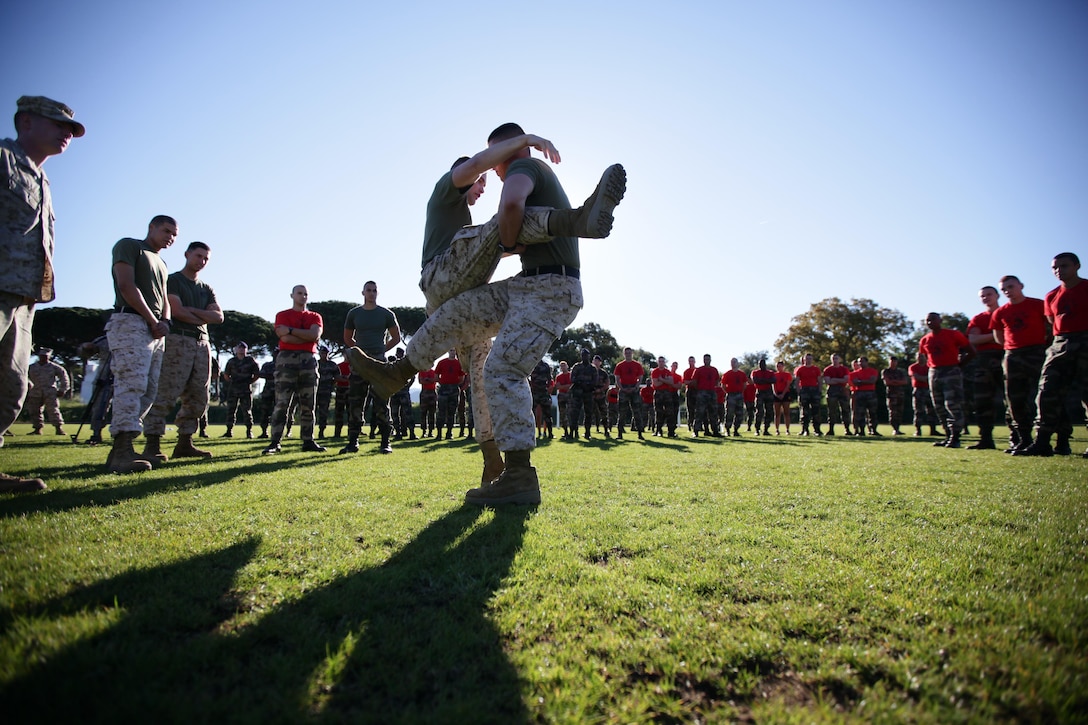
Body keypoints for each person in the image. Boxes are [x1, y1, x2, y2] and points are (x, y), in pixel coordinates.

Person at [352, 122, 612, 505]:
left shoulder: (526, 169)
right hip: (513, 284)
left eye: (495, 166)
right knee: (465, 306)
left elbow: (510, 209)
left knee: (496, 369)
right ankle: (398, 373)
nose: (492, 173)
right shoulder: (452, 188)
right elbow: (499, 208)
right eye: (485, 174)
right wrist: (511, 236)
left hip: (547, 290)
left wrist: (510, 235)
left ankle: (517, 473)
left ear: (507, 155)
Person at [1, 95, 84, 493]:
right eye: (58, 124)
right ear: (26, 122)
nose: (66, 133)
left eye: (70, 129)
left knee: (13, 386)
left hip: (23, 296)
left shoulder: (42, 179)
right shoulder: (2, 158)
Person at [104, 215, 176, 472]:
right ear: (152, 227)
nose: (171, 238)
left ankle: (123, 449)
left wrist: (165, 322)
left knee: (149, 389)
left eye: (174, 235)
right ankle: (122, 448)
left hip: (155, 330)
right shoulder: (130, 246)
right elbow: (126, 284)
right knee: (130, 384)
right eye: (167, 231)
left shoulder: (162, 262)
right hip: (131, 322)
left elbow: (164, 298)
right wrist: (151, 319)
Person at [143, 241, 223, 461]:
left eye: (206, 258)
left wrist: (193, 312)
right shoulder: (174, 281)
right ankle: (152, 444)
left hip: (201, 344)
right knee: (166, 391)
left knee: (199, 396)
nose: (202, 261)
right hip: (178, 341)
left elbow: (219, 317)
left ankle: (185, 443)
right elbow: (176, 311)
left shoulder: (206, 289)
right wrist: (202, 316)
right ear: (187, 254)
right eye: (198, 256)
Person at [1016, 253, 1088, 457]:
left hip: (1086, 340)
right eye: (1055, 268)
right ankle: (1042, 442)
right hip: (1060, 343)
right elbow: (1051, 321)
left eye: (1064, 266)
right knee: (1047, 391)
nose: (1059, 271)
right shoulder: (1051, 296)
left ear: (1077, 266)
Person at [990, 274, 1051, 454]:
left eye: (1011, 287)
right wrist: (1013, 349)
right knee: (1014, 399)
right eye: (1004, 289)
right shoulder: (1000, 313)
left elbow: (1051, 326)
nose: (1008, 291)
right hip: (1013, 355)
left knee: (1047, 394)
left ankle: (1060, 439)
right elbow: (998, 337)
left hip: (1037, 352)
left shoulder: (1037, 304)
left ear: (1021, 285)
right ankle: (1024, 439)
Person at [262, 285, 326, 454]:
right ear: (292, 295)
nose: (303, 296)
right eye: (300, 293)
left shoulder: (315, 316)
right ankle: (275, 441)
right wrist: (303, 336)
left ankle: (308, 440)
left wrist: (291, 331)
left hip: (309, 361)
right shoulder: (282, 315)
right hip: (286, 361)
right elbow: (283, 337)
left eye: (306, 294)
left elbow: (314, 336)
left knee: (308, 405)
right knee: (282, 403)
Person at [340, 281, 401, 454]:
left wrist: (382, 350)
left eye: (374, 290)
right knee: (356, 402)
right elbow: (347, 338)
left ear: (377, 293)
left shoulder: (386, 314)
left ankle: (385, 442)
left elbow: (396, 337)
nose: (372, 293)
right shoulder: (354, 314)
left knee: (382, 402)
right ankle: (353, 441)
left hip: (379, 363)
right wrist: (360, 353)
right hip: (359, 364)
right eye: (369, 290)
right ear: (363, 293)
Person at [919, 312, 977, 448]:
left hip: (951, 371)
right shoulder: (925, 340)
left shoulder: (953, 334)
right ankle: (947, 435)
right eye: (927, 320)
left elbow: (971, 351)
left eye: (933, 319)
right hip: (934, 372)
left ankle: (956, 437)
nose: (930, 322)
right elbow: (926, 357)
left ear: (940, 320)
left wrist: (958, 366)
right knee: (938, 405)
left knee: (952, 404)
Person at [966, 285, 1007, 450]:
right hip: (983, 361)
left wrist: (987, 337)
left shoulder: (1007, 312)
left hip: (1006, 357)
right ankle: (986, 439)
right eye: (982, 296)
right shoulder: (978, 318)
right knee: (982, 401)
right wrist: (998, 335)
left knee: (1012, 398)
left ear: (997, 295)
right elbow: (973, 339)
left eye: (989, 294)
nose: (985, 298)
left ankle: (1019, 437)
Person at [25, 347, 69, 435]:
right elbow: (24, 377)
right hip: (35, 392)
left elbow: (64, 378)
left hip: (50, 392)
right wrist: (26, 389)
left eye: (45, 356)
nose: (43, 357)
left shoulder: (55, 367)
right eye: (42, 356)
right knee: (34, 411)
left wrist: (62, 389)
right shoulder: (31, 367)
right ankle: (37, 429)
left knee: (53, 410)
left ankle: (58, 428)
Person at [221, 341, 260, 438]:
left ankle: (249, 431)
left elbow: (257, 374)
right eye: (239, 348)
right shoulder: (231, 361)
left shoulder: (251, 361)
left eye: (243, 348)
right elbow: (226, 375)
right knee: (231, 410)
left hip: (246, 389)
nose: (241, 349)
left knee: (247, 411)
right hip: (233, 389)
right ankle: (229, 431)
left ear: (246, 350)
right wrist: (233, 382)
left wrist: (249, 382)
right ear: (236, 349)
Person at [614, 347, 646, 440]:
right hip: (623, 388)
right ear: (624, 354)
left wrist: (635, 387)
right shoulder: (620, 365)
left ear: (632, 353)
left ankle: (640, 433)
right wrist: (622, 388)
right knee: (622, 413)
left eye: (629, 352)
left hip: (634, 389)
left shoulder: (637, 365)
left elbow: (640, 377)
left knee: (637, 412)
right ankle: (620, 433)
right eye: (626, 353)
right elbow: (617, 378)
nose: (628, 354)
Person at [434, 350, 465, 441]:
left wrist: (454, 384)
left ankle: (449, 433)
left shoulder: (459, 363)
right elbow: (436, 376)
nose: (453, 352)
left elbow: (462, 378)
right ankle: (439, 434)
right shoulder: (442, 362)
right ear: (448, 351)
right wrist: (443, 383)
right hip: (443, 389)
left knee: (452, 412)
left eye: (454, 351)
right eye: (451, 350)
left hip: (454, 389)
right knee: (441, 412)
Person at [569, 347, 598, 439]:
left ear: (589, 356)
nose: (584, 357)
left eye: (586, 355)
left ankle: (587, 432)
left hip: (588, 393)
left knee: (588, 413)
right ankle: (573, 432)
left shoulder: (592, 368)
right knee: (574, 413)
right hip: (577, 393)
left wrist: (588, 385)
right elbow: (572, 378)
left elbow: (595, 380)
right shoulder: (577, 367)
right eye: (583, 355)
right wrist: (580, 383)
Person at [909, 352, 940, 436]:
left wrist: (925, 378)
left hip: (929, 390)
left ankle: (933, 430)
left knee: (932, 410)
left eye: (922, 356)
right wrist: (927, 378)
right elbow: (917, 377)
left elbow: (934, 377)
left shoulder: (929, 366)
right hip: (918, 390)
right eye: (919, 357)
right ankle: (918, 430)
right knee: (918, 411)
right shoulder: (913, 367)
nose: (920, 358)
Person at [848, 357, 880, 436]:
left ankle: (873, 430)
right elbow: (855, 382)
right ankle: (861, 430)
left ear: (867, 362)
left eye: (862, 361)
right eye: (859, 362)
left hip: (871, 393)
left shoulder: (873, 371)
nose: (860, 363)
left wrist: (860, 381)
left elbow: (872, 381)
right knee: (860, 413)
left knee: (872, 413)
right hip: (859, 393)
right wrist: (866, 381)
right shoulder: (854, 373)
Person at [692, 354, 722, 437]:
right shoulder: (699, 370)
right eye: (705, 359)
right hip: (702, 392)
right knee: (699, 412)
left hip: (712, 392)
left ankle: (715, 431)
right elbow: (694, 382)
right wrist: (700, 390)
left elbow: (717, 381)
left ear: (710, 360)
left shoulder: (714, 370)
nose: (706, 361)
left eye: (708, 359)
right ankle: (696, 431)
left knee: (713, 412)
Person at [822, 353, 851, 436]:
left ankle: (847, 429)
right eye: (833, 358)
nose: (835, 360)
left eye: (836, 358)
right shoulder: (827, 369)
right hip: (832, 391)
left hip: (843, 390)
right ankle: (831, 430)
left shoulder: (844, 369)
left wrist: (834, 379)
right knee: (831, 411)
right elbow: (828, 381)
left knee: (845, 410)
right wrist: (840, 380)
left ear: (839, 359)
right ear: (831, 359)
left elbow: (846, 380)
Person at [315, 347, 341, 439]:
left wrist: (331, 385)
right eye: (322, 353)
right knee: (311, 412)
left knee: (323, 412)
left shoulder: (332, 365)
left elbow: (337, 377)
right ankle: (308, 432)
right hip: (315, 392)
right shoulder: (315, 364)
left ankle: (321, 431)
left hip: (326, 392)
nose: (323, 355)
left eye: (325, 353)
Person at [793, 354, 822, 436]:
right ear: (804, 360)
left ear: (812, 359)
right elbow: (797, 381)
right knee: (804, 411)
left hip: (814, 391)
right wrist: (799, 392)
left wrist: (819, 391)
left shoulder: (816, 369)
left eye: (810, 359)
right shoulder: (800, 369)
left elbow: (819, 380)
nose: (808, 360)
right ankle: (805, 429)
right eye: (807, 359)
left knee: (816, 411)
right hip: (804, 390)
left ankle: (817, 430)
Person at [651, 356, 678, 438]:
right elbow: (656, 384)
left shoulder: (667, 371)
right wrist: (665, 380)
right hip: (658, 393)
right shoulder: (655, 372)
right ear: (657, 362)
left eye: (663, 361)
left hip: (667, 393)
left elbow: (671, 382)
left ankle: (671, 431)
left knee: (670, 412)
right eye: (660, 361)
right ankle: (658, 430)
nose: (661, 363)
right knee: (658, 412)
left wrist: (661, 380)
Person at [881, 356, 909, 436]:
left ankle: (898, 428)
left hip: (900, 394)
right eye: (891, 361)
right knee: (892, 412)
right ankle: (894, 428)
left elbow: (905, 382)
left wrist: (894, 381)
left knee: (900, 412)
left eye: (895, 361)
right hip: (891, 395)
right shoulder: (886, 371)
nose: (893, 363)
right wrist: (898, 382)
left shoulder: (900, 372)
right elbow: (887, 382)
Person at [721, 358, 749, 437]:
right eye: (732, 362)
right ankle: (728, 429)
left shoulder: (742, 374)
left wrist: (741, 392)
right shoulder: (727, 374)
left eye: (735, 362)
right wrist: (728, 392)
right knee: (729, 413)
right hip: (731, 395)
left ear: (737, 363)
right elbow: (723, 385)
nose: (733, 363)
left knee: (739, 413)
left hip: (739, 395)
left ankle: (736, 430)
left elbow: (744, 384)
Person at [750, 359, 776, 435]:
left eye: (763, 364)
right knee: (759, 412)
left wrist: (762, 380)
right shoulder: (755, 372)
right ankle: (757, 429)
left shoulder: (770, 372)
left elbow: (774, 380)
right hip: (760, 392)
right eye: (760, 364)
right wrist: (767, 380)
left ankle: (766, 429)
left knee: (769, 412)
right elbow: (755, 380)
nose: (761, 365)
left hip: (768, 393)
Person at [529, 359, 554, 439]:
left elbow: (549, 379)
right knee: (530, 414)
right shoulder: (531, 363)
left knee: (547, 414)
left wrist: (547, 388)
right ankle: (531, 434)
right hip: (534, 392)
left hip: (543, 391)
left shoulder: (545, 366)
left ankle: (550, 434)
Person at [255, 351, 278, 438]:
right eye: (275, 353)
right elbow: (261, 374)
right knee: (265, 412)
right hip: (268, 391)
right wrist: (273, 375)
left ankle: (277, 432)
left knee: (279, 413)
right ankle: (264, 432)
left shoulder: (283, 365)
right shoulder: (267, 365)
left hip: (279, 392)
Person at [771, 361, 794, 435]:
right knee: (777, 413)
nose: (779, 367)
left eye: (780, 366)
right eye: (777, 366)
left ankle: (787, 429)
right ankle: (777, 430)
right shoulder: (774, 375)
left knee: (786, 413)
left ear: (783, 366)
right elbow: (773, 386)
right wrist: (776, 394)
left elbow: (788, 385)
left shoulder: (787, 375)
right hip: (777, 394)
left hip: (785, 394)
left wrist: (783, 394)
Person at [553, 360, 572, 439]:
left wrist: (563, 386)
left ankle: (573, 431)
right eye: (561, 366)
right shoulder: (558, 377)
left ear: (567, 366)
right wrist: (566, 386)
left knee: (571, 413)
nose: (563, 367)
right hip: (561, 396)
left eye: (564, 365)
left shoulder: (571, 375)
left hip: (570, 396)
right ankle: (566, 432)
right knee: (562, 414)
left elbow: (572, 385)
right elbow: (557, 386)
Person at [417, 365, 438, 437]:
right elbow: (421, 381)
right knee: (423, 413)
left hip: (432, 392)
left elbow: (435, 380)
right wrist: (429, 380)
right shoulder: (421, 372)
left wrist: (427, 380)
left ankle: (431, 431)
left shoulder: (434, 372)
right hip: (424, 393)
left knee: (432, 413)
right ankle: (423, 431)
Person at [681, 356, 699, 434]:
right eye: (690, 361)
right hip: (690, 391)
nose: (691, 362)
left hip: (697, 390)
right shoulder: (686, 371)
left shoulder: (698, 370)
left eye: (692, 361)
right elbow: (685, 382)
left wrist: (692, 382)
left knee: (698, 409)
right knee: (690, 409)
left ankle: (698, 425)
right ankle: (690, 424)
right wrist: (692, 382)